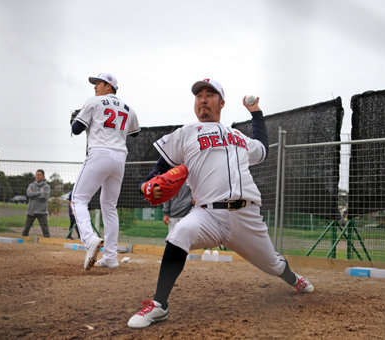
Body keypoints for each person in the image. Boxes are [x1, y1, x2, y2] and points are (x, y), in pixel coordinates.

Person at [127, 79, 314, 328]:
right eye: (199, 95)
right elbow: (159, 170)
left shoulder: (238, 136)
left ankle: (295, 279)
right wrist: (144, 186)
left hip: (246, 216)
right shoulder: (185, 133)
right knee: (179, 233)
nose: (203, 99)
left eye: (210, 94)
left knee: (273, 264)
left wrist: (256, 113)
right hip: (208, 216)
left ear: (221, 102)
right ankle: (160, 305)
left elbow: (263, 149)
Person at [71, 72, 140, 270]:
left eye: (99, 83)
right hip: (119, 158)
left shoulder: (94, 102)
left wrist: (82, 118)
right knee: (109, 207)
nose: (95, 86)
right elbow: (136, 134)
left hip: (99, 153)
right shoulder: (129, 108)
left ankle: (89, 239)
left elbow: (76, 129)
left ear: (109, 86)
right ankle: (110, 257)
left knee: (78, 199)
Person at [22, 169, 51, 238]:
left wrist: (33, 194)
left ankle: (48, 245)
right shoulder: (31, 185)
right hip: (31, 210)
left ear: (43, 177)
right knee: (26, 229)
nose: (37, 176)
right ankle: (22, 243)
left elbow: (44, 196)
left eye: (39, 175)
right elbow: (29, 194)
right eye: (36, 175)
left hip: (41, 211)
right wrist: (39, 193)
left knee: (45, 231)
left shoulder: (46, 186)